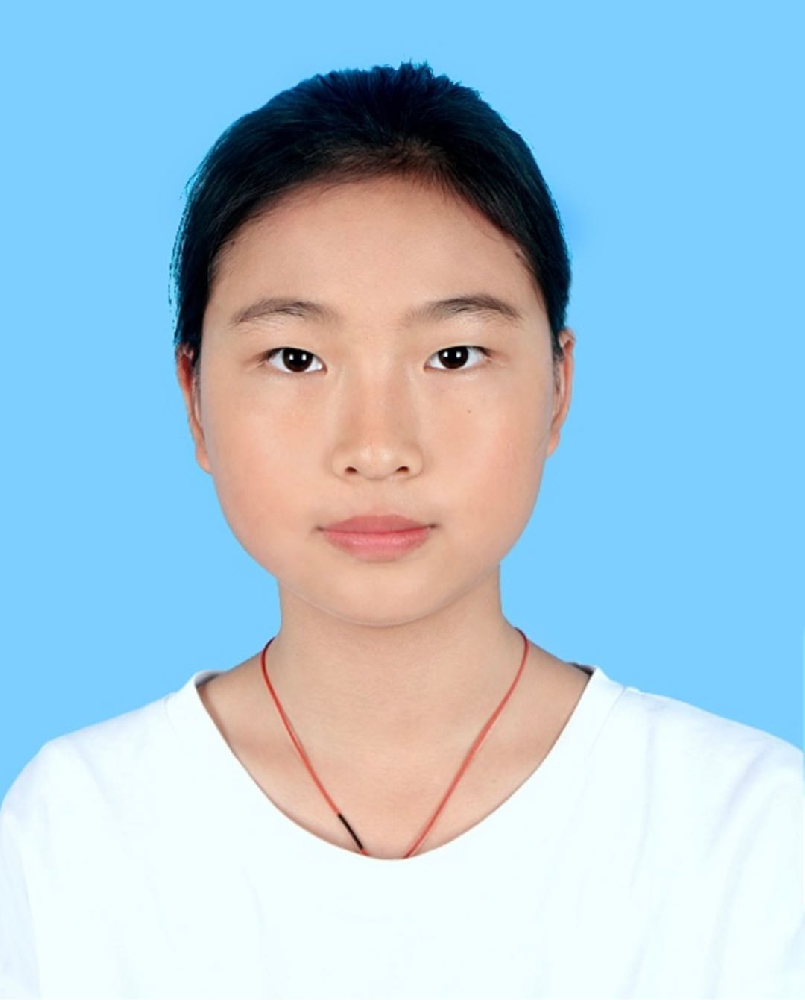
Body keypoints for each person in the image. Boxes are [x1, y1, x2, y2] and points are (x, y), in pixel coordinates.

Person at [0, 59, 802, 1000]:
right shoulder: (75, 827)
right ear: (193, 400)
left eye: (453, 355)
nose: (376, 448)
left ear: (557, 388)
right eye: (295, 358)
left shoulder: (746, 828)